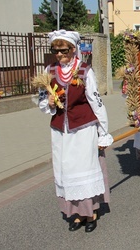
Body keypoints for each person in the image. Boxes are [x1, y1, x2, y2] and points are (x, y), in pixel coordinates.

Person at [37, 30, 113, 232]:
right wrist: (48, 102)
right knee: (66, 171)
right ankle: (75, 214)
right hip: (60, 132)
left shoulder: (85, 71)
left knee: (83, 171)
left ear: (73, 49)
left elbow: (96, 102)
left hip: (82, 131)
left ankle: (91, 212)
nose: (59, 55)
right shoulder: (49, 71)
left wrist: (103, 132)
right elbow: (42, 100)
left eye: (63, 51)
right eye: (56, 51)